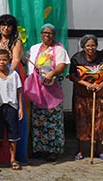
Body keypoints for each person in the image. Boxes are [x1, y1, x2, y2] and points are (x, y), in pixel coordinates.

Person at [26, 24, 70, 162]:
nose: (47, 35)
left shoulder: (59, 49)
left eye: (50, 33)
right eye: (45, 32)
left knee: (53, 119)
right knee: (38, 118)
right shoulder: (34, 48)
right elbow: (26, 60)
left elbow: (62, 65)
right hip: (37, 87)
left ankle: (54, 150)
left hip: (52, 88)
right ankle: (39, 148)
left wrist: (52, 73)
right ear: (41, 34)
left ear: (54, 35)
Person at [70, 35, 103, 161]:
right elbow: (72, 76)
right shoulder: (77, 58)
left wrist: (100, 85)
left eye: (93, 45)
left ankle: (99, 151)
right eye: (88, 45)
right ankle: (80, 150)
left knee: (100, 122)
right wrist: (87, 84)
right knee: (82, 122)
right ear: (83, 46)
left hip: (99, 95)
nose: (90, 48)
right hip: (82, 96)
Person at [0, 49, 24, 170]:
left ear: (9, 60)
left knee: (13, 135)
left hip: (12, 106)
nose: (2, 62)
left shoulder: (14, 74)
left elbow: (19, 91)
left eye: (4, 60)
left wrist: (20, 107)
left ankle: (13, 159)